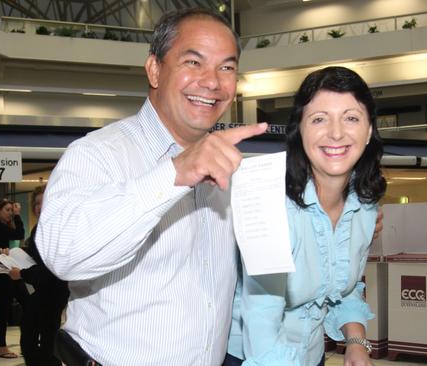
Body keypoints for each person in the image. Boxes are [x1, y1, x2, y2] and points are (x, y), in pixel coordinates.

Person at [35, 8, 268, 366]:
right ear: (155, 70)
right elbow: (63, 253)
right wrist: (173, 173)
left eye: (227, 67)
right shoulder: (98, 154)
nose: (212, 81)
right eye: (194, 62)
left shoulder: (229, 169)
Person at [224, 66, 387, 366]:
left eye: (351, 118)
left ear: (368, 131)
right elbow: (261, 317)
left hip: (310, 356)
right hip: (256, 357)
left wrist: (355, 342)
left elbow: (347, 288)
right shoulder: (269, 203)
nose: (336, 133)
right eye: (319, 119)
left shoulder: (364, 206)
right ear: (300, 131)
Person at [8, 186, 69, 365]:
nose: (39, 207)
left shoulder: (56, 228)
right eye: (36, 203)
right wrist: (14, 253)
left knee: (42, 339)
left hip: (53, 290)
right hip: (44, 290)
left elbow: (49, 268)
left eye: (44, 201)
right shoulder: (40, 229)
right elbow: (36, 256)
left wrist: (22, 274)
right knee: (35, 336)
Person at [0, 198, 28, 359]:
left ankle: (27, 343)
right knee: (4, 311)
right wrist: (18, 215)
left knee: (28, 304)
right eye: (7, 210)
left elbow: (17, 236)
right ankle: (2, 348)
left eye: (12, 210)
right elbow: (20, 233)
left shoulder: (5, 227)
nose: (10, 213)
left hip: (12, 271)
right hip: (2, 274)